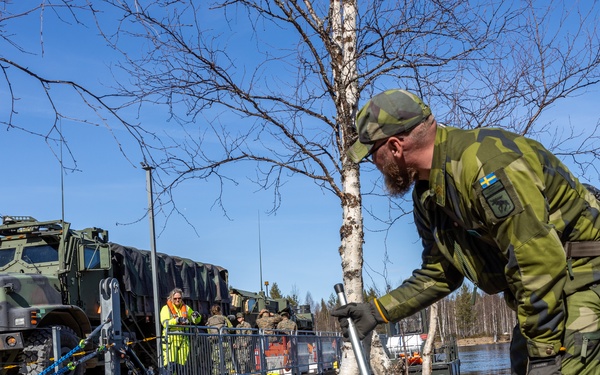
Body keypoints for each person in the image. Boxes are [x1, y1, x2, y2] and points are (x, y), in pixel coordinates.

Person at [330, 89, 600, 375]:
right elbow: (440, 272)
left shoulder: (486, 165)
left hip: (584, 278)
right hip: (548, 291)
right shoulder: (428, 195)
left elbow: (537, 257)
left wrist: (545, 355)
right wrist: (376, 311)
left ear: (395, 147)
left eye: (374, 153)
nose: (375, 164)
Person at [159, 288, 201, 374]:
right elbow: (165, 323)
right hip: (170, 341)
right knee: (171, 366)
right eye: (175, 298)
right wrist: (177, 320)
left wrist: (197, 316)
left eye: (179, 298)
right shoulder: (165, 309)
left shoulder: (186, 308)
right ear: (171, 298)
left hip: (183, 341)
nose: (177, 300)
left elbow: (196, 320)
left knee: (181, 367)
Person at [205, 304, 233, 374]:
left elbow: (208, 331)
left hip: (215, 342)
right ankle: (230, 372)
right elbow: (231, 328)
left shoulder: (209, 320)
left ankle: (216, 373)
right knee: (228, 360)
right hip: (225, 341)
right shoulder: (223, 318)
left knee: (216, 361)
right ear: (219, 310)